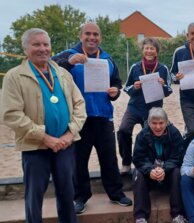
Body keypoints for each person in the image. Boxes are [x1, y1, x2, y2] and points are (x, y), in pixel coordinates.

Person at [0, 28, 86, 223]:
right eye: (36, 44)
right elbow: (10, 114)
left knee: (67, 193)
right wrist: (44, 137)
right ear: (25, 49)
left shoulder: (62, 73)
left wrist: (69, 133)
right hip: (35, 147)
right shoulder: (15, 76)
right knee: (34, 196)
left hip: (64, 145)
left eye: (46, 44)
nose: (43, 49)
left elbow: (80, 104)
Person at [52, 22, 132, 214]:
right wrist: (69, 62)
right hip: (79, 118)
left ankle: (116, 193)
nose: (92, 38)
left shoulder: (107, 59)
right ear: (81, 36)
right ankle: (80, 197)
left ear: (100, 38)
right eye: (88, 34)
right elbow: (50, 68)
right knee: (79, 160)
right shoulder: (68, 54)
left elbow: (116, 83)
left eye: (95, 34)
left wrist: (115, 92)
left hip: (104, 116)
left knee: (109, 158)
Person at [118, 38, 172, 174]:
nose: (149, 51)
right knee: (123, 130)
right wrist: (134, 87)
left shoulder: (163, 68)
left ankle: (149, 164)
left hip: (153, 110)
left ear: (156, 52)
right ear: (143, 50)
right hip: (134, 108)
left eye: (152, 48)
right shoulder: (135, 67)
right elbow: (126, 88)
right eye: (147, 48)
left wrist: (163, 85)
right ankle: (126, 162)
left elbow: (169, 90)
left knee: (150, 137)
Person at [132, 107, 186, 223]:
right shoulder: (142, 134)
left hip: (167, 174)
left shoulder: (174, 133)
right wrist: (150, 170)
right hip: (150, 175)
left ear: (166, 122)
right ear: (149, 123)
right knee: (137, 173)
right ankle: (140, 216)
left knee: (177, 172)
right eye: (154, 123)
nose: (158, 127)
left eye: (161, 123)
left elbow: (178, 157)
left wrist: (164, 169)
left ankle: (178, 214)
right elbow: (138, 158)